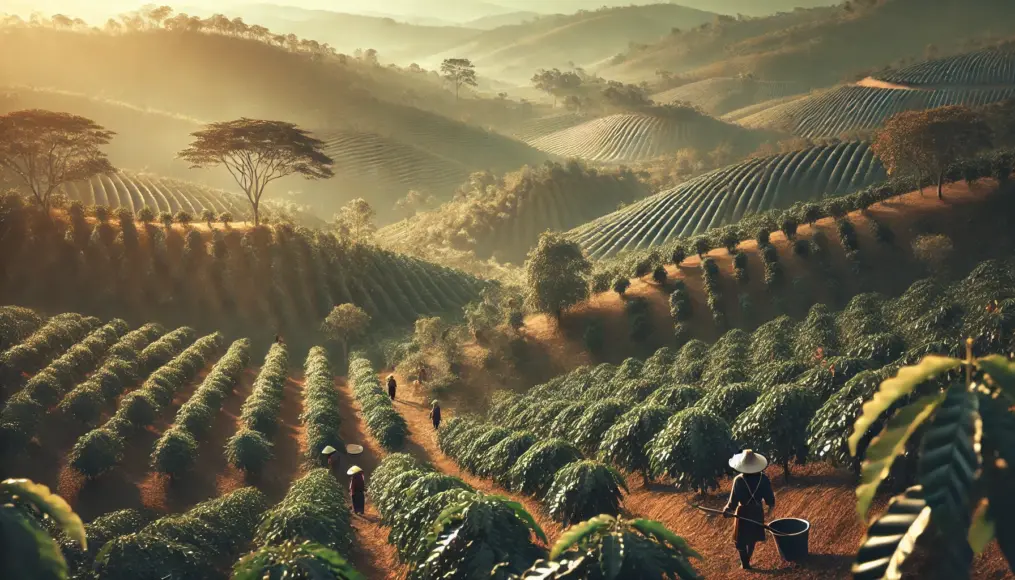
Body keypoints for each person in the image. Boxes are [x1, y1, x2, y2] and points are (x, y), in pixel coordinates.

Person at [723, 449, 776, 570]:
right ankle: (747, 559)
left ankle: (745, 563)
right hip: (757, 511)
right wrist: (769, 512)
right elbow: (770, 501)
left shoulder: (738, 480)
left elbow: (732, 503)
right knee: (753, 537)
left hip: (743, 513)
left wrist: (727, 510)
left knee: (740, 540)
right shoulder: (763, 479)